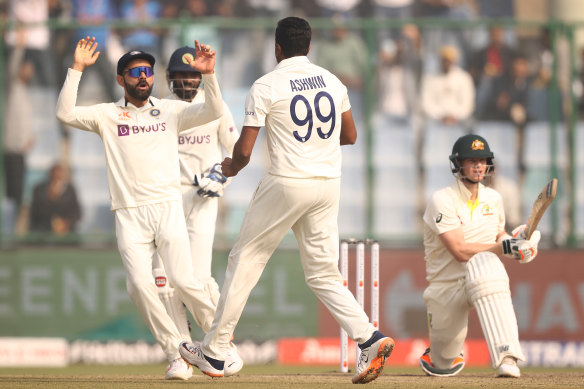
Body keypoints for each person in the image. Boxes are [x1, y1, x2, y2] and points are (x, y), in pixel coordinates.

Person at [179, 16, 395, 385]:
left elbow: (244, 151)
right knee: (324, 274)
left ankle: (214, 352)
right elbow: (351, 135)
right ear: (308, 47)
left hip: (286, 182)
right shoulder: (332, 80)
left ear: (276, 47)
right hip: (328, 184)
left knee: (244, 260)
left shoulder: (266, 85)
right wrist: (314, 148)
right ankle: (369, 338)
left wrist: (229, 168)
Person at [56, 36, 226, 380]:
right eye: (135, 73)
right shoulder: (107, 115)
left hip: (167, 208)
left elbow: (214, 111)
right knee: (138, 286)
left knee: (183, 281)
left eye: (147, 70)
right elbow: (65, 113)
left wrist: (210, 75)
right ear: (121, 80)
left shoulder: (169, 110)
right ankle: (177, 353)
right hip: (129, 214)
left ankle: (221, 339)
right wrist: (76, 69)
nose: (143, 76)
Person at [150, 46, 242, 378]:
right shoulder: (159, 110)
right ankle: (180, 355)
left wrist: (221, 179)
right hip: (168, 199)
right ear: (171, 78)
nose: (188, 81)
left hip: (204, 198)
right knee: (163, 282)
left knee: (197, 280)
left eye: (193, 75)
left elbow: (235, 153)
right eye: (181, 75)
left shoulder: (215, 107)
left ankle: (219, 346)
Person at [419, 133, 541, 378]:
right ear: (458, 164)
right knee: (443, 365)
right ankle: (442, 353)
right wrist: (506, 248)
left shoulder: (494, 199)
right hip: (446, 286)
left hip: (481, 275)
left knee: (487, 266)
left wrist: (518, 245)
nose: (478, 166)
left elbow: (498, 236)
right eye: (471, 160)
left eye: (482, 160)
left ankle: (507, 357)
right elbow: (460, 251)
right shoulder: (441, 199)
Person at [29, 162, 81, 235]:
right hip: (44, 232)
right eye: (55, 174)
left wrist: (66, 223)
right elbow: (35, 214)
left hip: (66, 233)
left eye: (60, 174)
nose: (57, 177)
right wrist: (50, 197)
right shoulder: (39, 190)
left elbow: (77, 213)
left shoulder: (70, 190)